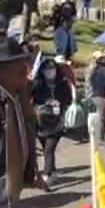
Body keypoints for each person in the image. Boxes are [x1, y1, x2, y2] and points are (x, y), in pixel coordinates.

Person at [0, 32, 40, 208]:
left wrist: (30, 169)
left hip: (2, 195)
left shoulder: (16, 96)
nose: (25, 69)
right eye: (18, 64)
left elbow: (24, 136)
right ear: (1, 70)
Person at [32, 58, 72, 189]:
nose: (50, 72)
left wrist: (60, 102)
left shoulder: (63, 83)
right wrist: (44, 103)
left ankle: (46, 175)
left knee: (49, 148)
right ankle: (53, 171)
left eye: (53, 69)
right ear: (42, 71)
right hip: (41, 121)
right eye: (47, 70)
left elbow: (68, 99)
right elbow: (30, 99)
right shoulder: (37, 83)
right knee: (46, 149)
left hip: (58, 121)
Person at [87, 50, 105, 141]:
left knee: (101, 116)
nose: (104, 59)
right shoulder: (96, 69)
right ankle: (100, 136)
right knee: (101, 117)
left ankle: (100, 135)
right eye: (102, 58)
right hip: (99, 95)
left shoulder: (98, 69)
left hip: (99, 94)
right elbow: (90, 83)